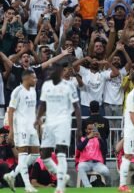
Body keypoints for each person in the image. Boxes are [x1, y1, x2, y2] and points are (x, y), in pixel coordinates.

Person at [34, 63, 82, 193]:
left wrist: (79, 127)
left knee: (60, 152)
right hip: (49, 122)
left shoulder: (69, 85)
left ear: (60, 71)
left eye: (53, 69)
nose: (50, 72)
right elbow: (42, 104)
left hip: (63, 122)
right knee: (44, 155)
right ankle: (62, 175)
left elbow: (77, 107)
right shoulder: (46, 85)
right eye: (49, 70)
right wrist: (37, 118)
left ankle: (60, 187)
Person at [3, 70, 40, 193]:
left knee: (35, 154)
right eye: (33, 78)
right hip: (21, 127)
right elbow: (11, 111)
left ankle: (12, 175)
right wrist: (11, 132)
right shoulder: (17, 91)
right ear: (26, 78)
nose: (36, 80)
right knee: (23, 156)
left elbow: (33, 109)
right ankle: (27, 186)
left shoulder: (33, 90)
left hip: (32, 127)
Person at [76, 123, 111, 187]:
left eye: (93, 129)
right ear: (86, 130)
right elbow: (79, 148)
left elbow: (104, 151)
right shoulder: (82, 139)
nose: (91, 131)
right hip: (85, 163)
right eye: (89, 129)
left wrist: (100, 138)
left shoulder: (98, 139)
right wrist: (88, 138)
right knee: (80, 166)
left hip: (97, 163)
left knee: (106, 171)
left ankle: (108, 186)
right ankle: (88, 187)